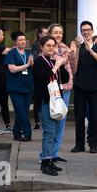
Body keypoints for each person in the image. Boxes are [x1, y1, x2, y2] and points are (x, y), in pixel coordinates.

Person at [69, 21, 97, 154]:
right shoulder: (78, 47)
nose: (86, 32)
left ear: (92, 30)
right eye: (83, 30)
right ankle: (79, 144)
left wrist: (91, 50)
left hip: (96, 87)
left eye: (88, 29)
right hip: (80, 86)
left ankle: (93, 144)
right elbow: (71, 62)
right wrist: (74, 50)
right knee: (79, 117)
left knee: (95, 117)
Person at [33, 36, 68, 176]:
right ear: (41, 47)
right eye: (48, 45)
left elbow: (64, 79)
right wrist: (57, 66)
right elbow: (45, 78)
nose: (51, 48)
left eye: (53, 45)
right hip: (44, 102)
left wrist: (62, 65)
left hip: (55, 101)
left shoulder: (53, 61)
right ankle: (45, 163)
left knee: (54, 132)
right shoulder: (39, 61)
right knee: (49, 132)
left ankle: (50, 159)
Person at [46, 24, 72, 163]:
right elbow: (56, 64)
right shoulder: (48, 47)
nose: (58, 35)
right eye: (56, 32)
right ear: (50, 33)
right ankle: (47, 154)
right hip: (53, 89)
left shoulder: (65, 48)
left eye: (61, 32)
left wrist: (73, 52)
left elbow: (71, 65)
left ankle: (55, 153)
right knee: (52, 122)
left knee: (61, 122)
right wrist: (66, 56)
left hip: (66, 87)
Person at [5, 31, 34, 142]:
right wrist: (26, 65)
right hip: (15, 88)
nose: (23, 41)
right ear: (15, 42)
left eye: (24, 39)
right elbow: (12, 69)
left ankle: (16, 133)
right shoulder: (11, 53)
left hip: (27, 87)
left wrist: (32, 64)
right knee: (20, 110)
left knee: (23, 111)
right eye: (20, 40)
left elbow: (31, 68)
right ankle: (27, 133)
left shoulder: (28, 53)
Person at [31, 26, 48, 130]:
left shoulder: (51, 43)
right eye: (45, 33)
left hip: (47, 74)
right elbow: (34, 57)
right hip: (38, 74)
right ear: (40, 34)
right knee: (37, 100)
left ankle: (45, 119)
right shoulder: (36, 45)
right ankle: (37, 121)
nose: (47, 34)